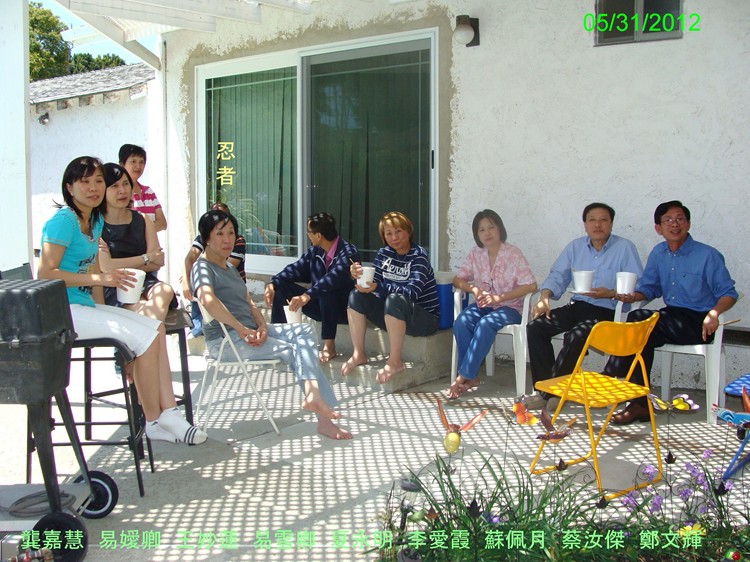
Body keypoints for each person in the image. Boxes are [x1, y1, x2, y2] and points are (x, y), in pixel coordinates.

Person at [38, 156, 206, 445]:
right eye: (85, 182)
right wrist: (100, 279)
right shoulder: (63, 221)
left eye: (98, 181)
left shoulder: (94, 220)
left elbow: (94, 269)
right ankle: (155, 419)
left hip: (84, 306)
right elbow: (45, 273)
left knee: (154, 329)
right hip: (63, 312)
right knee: (146, 335)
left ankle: (166, 413)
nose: (94, 188)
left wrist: (103, 302)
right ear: (69, 187)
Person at [190, 209, 352, 440]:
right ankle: (321, 413)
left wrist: (262, 326)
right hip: (226, 341)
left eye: (231, 233)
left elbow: (249, 303)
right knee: (293, 350)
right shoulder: (202, 268)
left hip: (249, 333)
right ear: (206, 238)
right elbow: (208, 300)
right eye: (220, 234)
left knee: (304, 331)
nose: (227, 240)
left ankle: (313, 397)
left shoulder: (230, 268)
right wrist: (241, 329)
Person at [604, 200, 738, 424]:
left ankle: (614, 373)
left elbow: (728, 293)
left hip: (700, 322)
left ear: (688, 223)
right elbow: (650, 288)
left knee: (638, 323)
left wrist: (714, 313)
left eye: (680, 219)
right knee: (640, 333)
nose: (675, 224)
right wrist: (633, 296)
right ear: (658, 228)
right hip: (671, 318)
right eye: (668, 220)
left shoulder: (707, 255)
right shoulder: (659, 253)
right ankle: (639, 404)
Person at [524, 202, 643, 409]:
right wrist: (544, 297)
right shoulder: (575, 247)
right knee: (536, 327)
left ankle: (551, 393)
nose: (598, 225)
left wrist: (611, 293)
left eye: (603, 220)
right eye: (592, 220)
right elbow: (557, 275)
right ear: (585, 224)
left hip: (607, 310)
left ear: (611, 224)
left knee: (577, 335)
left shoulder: (625, 248)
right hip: (578, 306)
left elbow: (637, 285)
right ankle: (548, 389)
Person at [447, 210, 537, 399]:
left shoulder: (513, 254)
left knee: (486, 324)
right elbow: (457, 279)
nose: (487, 233)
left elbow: (531, 285)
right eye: (481, 230)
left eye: (491, 227)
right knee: (462, 322)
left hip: (511, 307)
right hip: (483, 305)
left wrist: (499, 298)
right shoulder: (476, 253)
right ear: (477, 234)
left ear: (499, 229)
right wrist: (474, 290)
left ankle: (463, 376)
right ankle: (470, 376)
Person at [342, 211, 439, 384]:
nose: (394, 237)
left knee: (395, 299)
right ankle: (359, 354)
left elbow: (412, 293)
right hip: (394, 314)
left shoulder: (419, 256)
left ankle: (394, 362)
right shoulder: (383, 254)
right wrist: (357, 276)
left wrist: (379, 287)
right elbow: (375, 283)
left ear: (408, 231)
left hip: (423, 318)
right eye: (388, 233)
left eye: (398, 231)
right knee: (356, 296)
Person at [264, 212, 360, 363]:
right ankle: (279, 339)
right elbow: (295, 269)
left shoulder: (348, 252)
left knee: (326, 290)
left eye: (309, 232)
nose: (307, 235)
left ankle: (329, 346)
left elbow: (333, 279)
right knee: (282, 288)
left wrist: (307, 295)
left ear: (318, 235)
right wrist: (273, 283)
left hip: (342, 310)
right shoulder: (315, 252)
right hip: (319, 306)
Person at [99, 163, 176, 320]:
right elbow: (106, 266)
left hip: (145, 281)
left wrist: (121, 264)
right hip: (115, 285)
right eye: (114, 186)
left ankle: (146, 333)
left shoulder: (143, 219)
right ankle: (151, 334)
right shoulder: (96, 224)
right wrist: (146, 258)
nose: (122, 190)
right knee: (143, 308)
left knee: (165, 291)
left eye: (126, 184)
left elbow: (157, 262)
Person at [181, 202, 246, 337]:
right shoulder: (205, 238)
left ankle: (202, 329)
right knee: (201, 283)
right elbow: (189, 258)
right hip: (212, 283)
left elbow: (224, 268)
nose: (226, 239)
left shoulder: (237, 240)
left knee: (204, 280)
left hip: (232, 288)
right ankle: (197, 329)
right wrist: (186, 281)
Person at [119, 144, 167, 232]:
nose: (138, 166)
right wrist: (149, 230)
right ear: (122, 164)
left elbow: (163, 223)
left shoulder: (148, 191)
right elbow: (124, 227)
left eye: (141, 162)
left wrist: (140, 231)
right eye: (133, 161)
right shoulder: (120, 193)